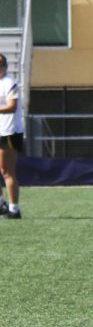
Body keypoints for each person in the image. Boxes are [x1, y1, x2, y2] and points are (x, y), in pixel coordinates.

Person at [0, 54, 23, 219]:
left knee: (6, 170)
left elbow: (12, 106)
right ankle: (1, 205)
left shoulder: (8, 81)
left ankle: (14, 210)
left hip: (9, 131)